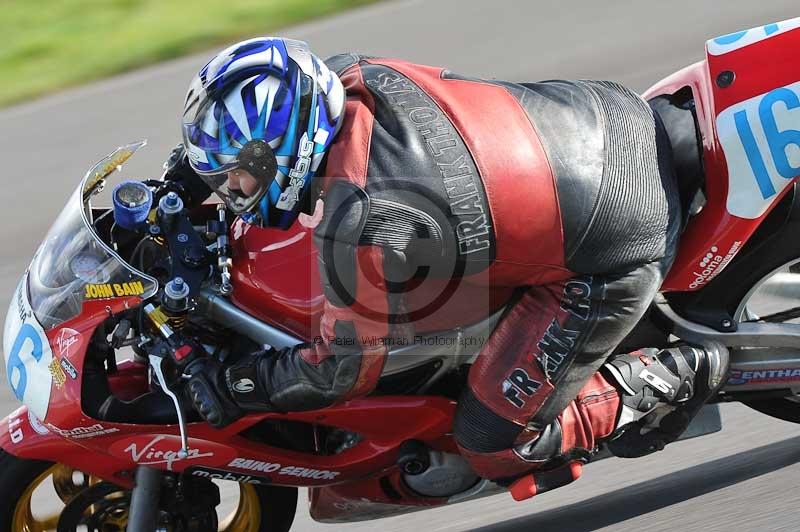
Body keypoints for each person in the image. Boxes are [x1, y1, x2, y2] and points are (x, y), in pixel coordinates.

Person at [171, 37, 729, 491]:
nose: (231, 189)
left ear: (288, 151)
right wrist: (177, 187)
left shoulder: (361, 224)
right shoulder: (346, 76)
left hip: (616, 239)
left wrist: (234, 385)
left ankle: (672, 373)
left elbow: (338, 370)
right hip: (603, 113)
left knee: (492, 442)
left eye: (235, 174)